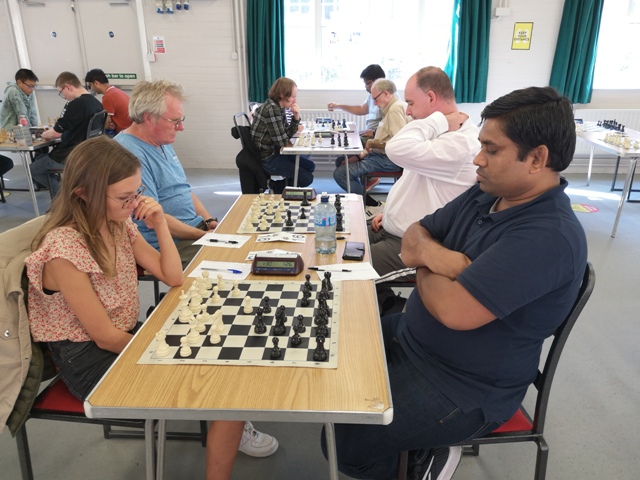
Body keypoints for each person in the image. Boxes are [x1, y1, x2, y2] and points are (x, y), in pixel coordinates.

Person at [322, 86, 588, 480]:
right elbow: (414, 235)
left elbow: (452, 311)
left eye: (491, 150)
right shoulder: (487, 192)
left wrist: (423, 260)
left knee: (340, 446)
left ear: (537, 158)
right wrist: (440, 259)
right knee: (331, 353)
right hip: (414, 339)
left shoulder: (547, 236)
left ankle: (422, 461)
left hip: (461, 385)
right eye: (480, 146)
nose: (478, 159)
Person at [24, 136, 250, 479]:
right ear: (83, 193)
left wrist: (159, 222)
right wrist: (173, 355)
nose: (134, 204)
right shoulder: (63, 250)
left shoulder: (118, 222)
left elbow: (172, 276)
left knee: (220, 363)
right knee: (228, 395)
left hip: (124, 337)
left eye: (137, 193)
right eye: (124, 197)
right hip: (88, 359)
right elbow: (104, 337)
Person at [369, 66, 479, 281]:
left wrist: (440, 120)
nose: (408, 111)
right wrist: (391, 212)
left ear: (431, 98)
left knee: (346, 272)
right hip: (391, 228)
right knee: (342, 242)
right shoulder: (439, 133)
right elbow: (415, 182)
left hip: (414, 245)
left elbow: (395, 148)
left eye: (410, 103)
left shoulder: (461, 144)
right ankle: (385, 298)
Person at [114, 80, 219, 267]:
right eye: (175, 121)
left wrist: (208, 220)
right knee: (233, 261)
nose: (181, 127)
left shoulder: (160, 140)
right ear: (148, 118)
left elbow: (183, 189)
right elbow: (152, 219)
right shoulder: (128, 154)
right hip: (167, 243)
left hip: (191, 230)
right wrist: (203, 235)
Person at [333, 78, 408, 202]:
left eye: (375, 99)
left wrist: (372, 143)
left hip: (388, 160)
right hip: (381, 155)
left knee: (340, 173)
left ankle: (368, 204)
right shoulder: (391, 108)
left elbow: (398, 144)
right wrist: (361, 155)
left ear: (386, 93)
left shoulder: (394, 110)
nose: (374, 103)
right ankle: (362, 192)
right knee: (342, 161)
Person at [29, 71, 103, 196]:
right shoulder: (96, 103)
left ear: (67, 87)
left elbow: (55, 133)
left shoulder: (76, 104)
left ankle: (62, 197)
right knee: (39, 159)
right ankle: (62, 190)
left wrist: (42, 134)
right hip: (89, 153)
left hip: (70, 155)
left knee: (33, 169)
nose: (63, 96)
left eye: (61, 92)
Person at [250, 77, 315, 193]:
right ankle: (274, 186)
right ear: (282, 95)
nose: (295, 101)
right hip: (268, 157)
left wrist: (296, 117)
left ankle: (287, 184)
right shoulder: (272, 109)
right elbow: (283, 141)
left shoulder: (279, 107)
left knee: (310, 166)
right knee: (306, 178)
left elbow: (285, 134)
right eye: (293, 97)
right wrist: (294, 123)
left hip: (277, 152)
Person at [1, 68, 41, 180]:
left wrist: (36, 130)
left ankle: (38, 178)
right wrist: (30, 133)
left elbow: (32, 112)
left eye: (34, 86)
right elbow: (22, 114)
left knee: (42, 148)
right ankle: (37, 177)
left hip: (25, 128)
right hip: (12, 130)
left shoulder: (28, 92)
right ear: (19, 82)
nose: (32, 89)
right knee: (36, 148)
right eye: (30, 86)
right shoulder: (13, 91)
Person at [327, 64, 386, 139]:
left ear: (378, 82)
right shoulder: (372, 96)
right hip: (371, 133)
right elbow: (361, 109)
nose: (365, 87)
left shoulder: (389, 98)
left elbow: (391, 125)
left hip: (378, 137)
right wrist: (338, 106)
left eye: (367, 83)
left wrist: (374, 132)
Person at [85, 68, 133, 135]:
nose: (92, 88)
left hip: (123, 132)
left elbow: (106, 124)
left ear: (96, 83)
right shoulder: (117, 91)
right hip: (130, 128)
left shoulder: (108, 97)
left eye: (91, 85)